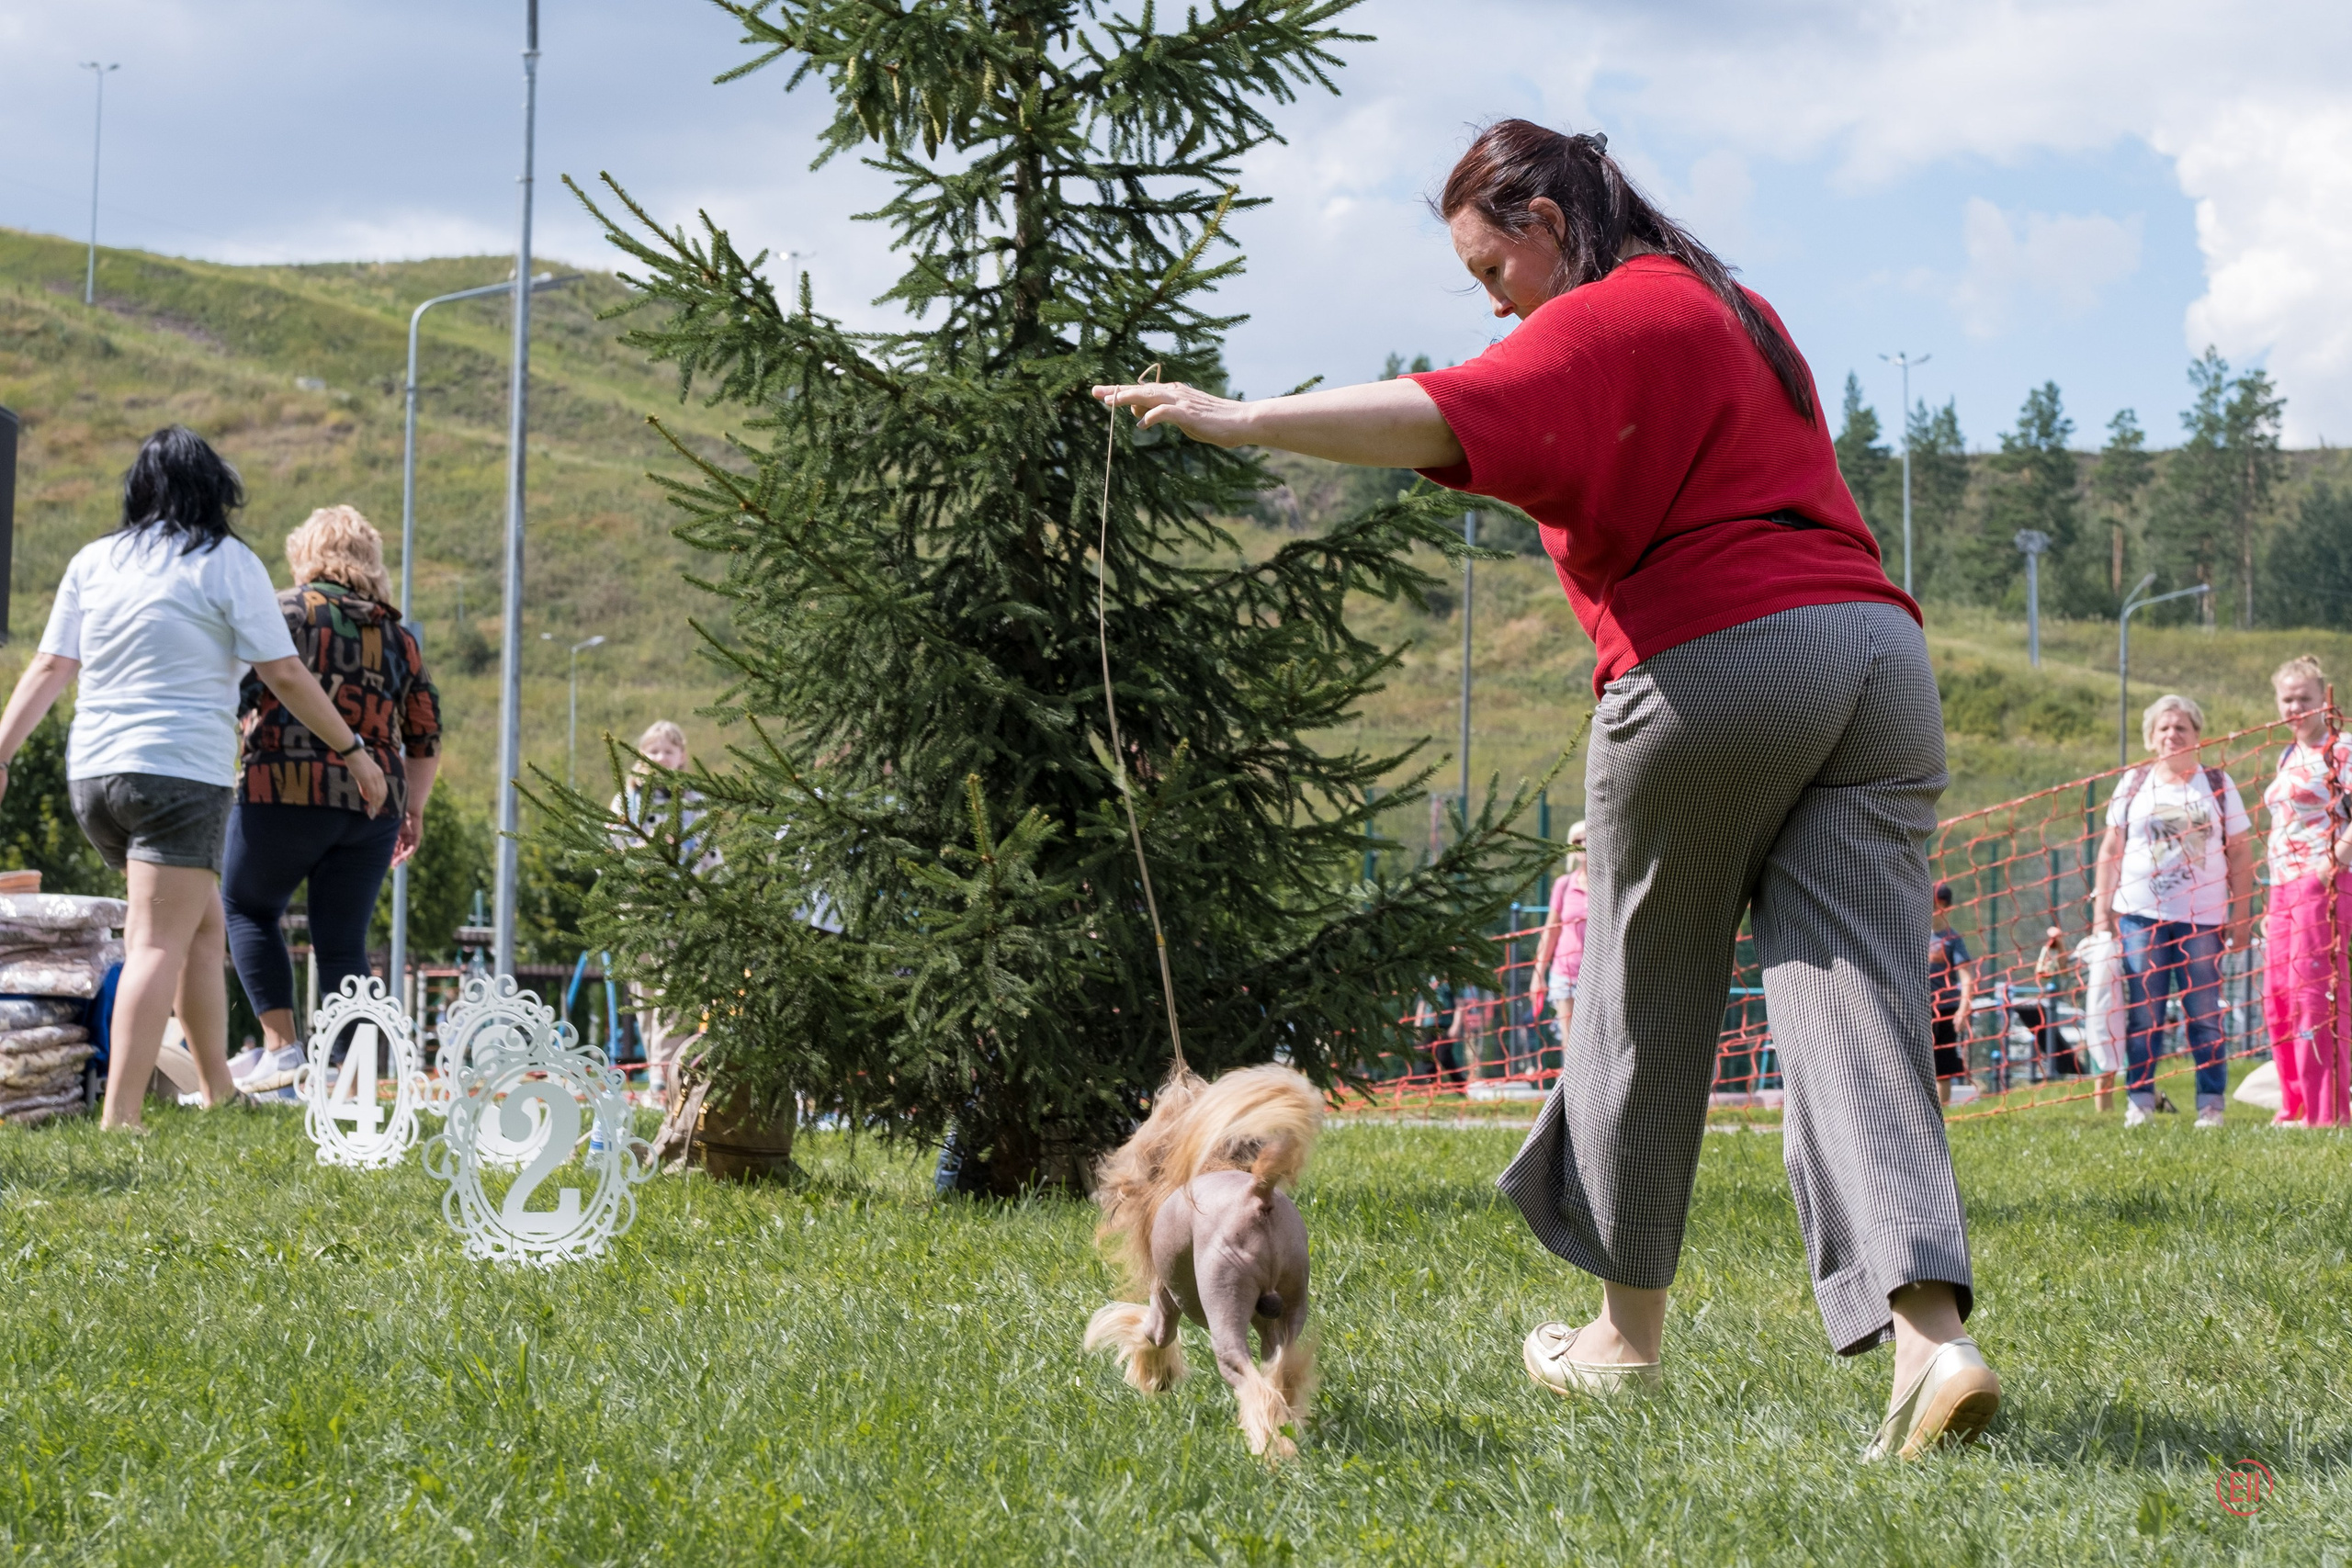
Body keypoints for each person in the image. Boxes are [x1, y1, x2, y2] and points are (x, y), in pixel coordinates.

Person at [1097, 118, 1995, 1458]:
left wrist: (1243, 419)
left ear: (1547, 223)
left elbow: (1446, 411)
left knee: (1640, 989)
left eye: (1489, 272)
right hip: (1879, 659)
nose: (1494, 303)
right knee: (1852, 1001)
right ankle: (1936, 1344)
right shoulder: (1737, 309)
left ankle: (1624, 1339)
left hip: (1720, 663)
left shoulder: (1612, 311)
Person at [0, 428, 386, 1132]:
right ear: (217, 491)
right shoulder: (228, 561)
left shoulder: (94, 560)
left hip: (94, 777)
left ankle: (217, 1090)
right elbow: (285, 672)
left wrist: (1, 753)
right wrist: (354, 750)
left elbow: (52, 666)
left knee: (202, 925)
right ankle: (121, 1118)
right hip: (176, 775)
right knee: (156, 941)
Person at [220, 505, 439, 1089]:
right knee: (342, 942)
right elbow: (424, 733)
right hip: (373, 805)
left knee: (248, 907)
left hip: (282, 789)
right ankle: (352, 1072)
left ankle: (283, 1049)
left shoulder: (282, 611)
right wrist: (413, 809)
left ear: (305, 556)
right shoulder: (401, 636)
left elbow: (235, 690)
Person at [2091, 694, 2253, 1129]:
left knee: (2204, 1012)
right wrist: (2101, 915)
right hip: (2139, 915)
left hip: (2203, 919)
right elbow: (2111, 849)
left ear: (2198, 734)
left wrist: (2241, 918)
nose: (2172, 735)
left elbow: (2240, 855)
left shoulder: (2218, 784)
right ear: (2150, 738)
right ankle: (2140, 1101)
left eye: (2181, 727)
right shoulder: (2132, 783)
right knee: (2144, 1012)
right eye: (2163, 728)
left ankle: (2211, 1105)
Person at [2260, 655, 2352, 1127]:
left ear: (2323, 699)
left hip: (2324, 885)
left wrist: (2330, 864)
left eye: (2305, 698)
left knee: (2315, 994)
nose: (2296, 706)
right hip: (2281, 887)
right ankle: (2293, 1104)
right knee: (2277, 995)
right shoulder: (2287, 754)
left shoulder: (2340, 749)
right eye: (2288, 698)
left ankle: (2327, 1113)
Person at [610, 720, 704, 1106]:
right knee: (646, 999)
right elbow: (611, 848)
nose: (660, 757)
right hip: (638, 908)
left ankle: (670, 1083)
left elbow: (710, 852)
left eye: (668, 750)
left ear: (681, 755)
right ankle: (656, 1081)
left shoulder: (694, 800)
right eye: (653, 750)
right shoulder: (627, 800)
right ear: (641, 756)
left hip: (683, 906)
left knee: (676, 996)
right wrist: (642, 852)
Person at [1529, 823, 1589, 1077]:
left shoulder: (1610, 885)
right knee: (1571, 1045)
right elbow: (1551, 930)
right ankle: (1574, 1106)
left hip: (1601, 978)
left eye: (1589, 838)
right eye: (1577, 841)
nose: (1584, 845)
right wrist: (1538, 974)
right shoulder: (1564, 885)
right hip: (1565, 975)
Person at [1928, 885, 1975, 1105]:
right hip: (1918, 1008)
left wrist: (1963, 1010)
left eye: (1941, 904)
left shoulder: (1952, 938)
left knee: (1943, 1067)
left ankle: (1943, 1114)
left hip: (1946, 1009)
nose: (1937, 908)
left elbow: (1966, 977)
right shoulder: (1911, 933)